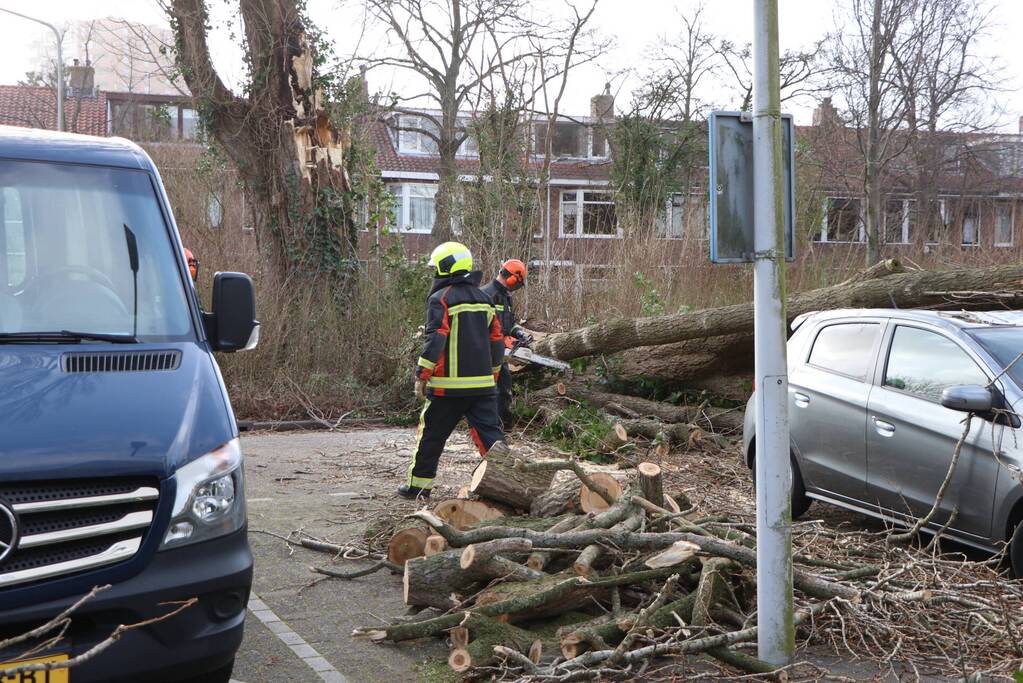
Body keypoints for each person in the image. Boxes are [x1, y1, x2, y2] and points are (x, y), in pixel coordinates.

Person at [401, 242, 507, 499]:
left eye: (436, 267)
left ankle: (419, 487)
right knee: (493, 440)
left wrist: (421, 375)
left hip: (447, 388)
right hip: (482, 387)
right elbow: (497, 340)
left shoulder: (441, 298)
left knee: (431, 437)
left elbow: (436, 337)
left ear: (446, 267)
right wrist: (493, 375)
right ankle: (509, 486)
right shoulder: (485, 298)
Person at [482, 259, 532, 429]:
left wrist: (519, 333)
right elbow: (479, 327)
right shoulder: (486, 294)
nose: (517, 287)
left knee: (504, 390)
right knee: (490, 391)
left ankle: (504, 426)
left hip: (499, 352)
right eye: (518, 282)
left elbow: (509, 323)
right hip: (485, 352)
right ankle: (490, 426)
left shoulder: (507, 297)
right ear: (512, 277)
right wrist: (497, 339)